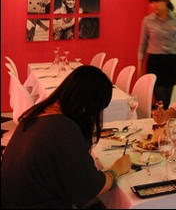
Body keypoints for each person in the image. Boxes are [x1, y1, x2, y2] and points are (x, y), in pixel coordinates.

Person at [1, 65, 131, 209]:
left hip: (14, 199)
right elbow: (92, 188)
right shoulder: (63, 129)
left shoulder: (39, 112)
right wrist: (116, 170)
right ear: (88, 107)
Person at [137, 0, 176, 109]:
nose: (154, 5)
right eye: (152, 2)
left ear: (166, 0)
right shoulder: (148, 21)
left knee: (167, 97)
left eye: (157, 1)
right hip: (154, 61)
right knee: (161, 99)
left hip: (171, 61)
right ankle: (163, 117)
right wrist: (139, 66)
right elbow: (142, 45)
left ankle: (163, 118)